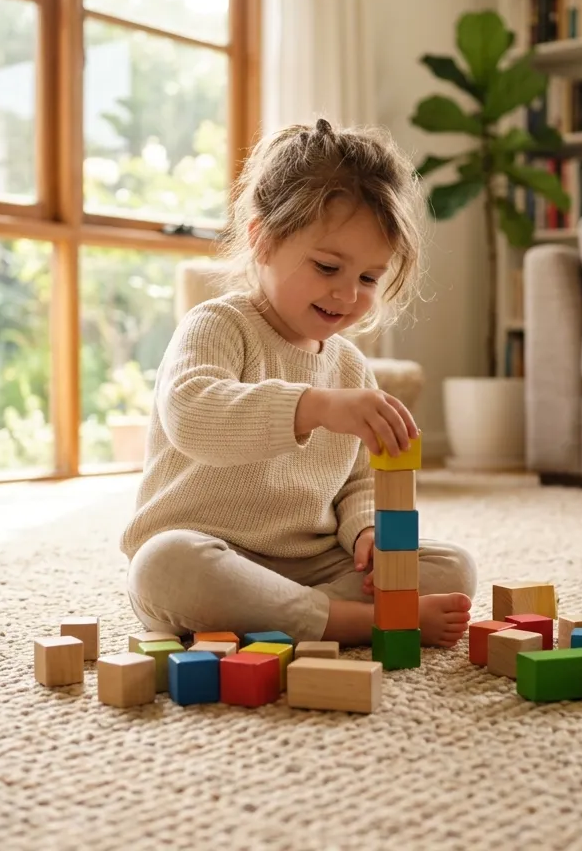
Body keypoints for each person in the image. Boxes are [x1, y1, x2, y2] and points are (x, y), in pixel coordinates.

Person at [121, 118, 476, 647]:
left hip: (310, 565)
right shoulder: (218, 325)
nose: (348, 293)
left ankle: (301, 617)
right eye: (328, 266)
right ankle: (356, 623)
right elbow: (193, 414)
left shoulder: (351, 366)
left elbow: (360, 479)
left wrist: (367, 533)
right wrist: (312, 407)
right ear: (262, 240)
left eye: (369, 278)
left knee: (453, 567)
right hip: (210, 550)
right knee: (164, 567)